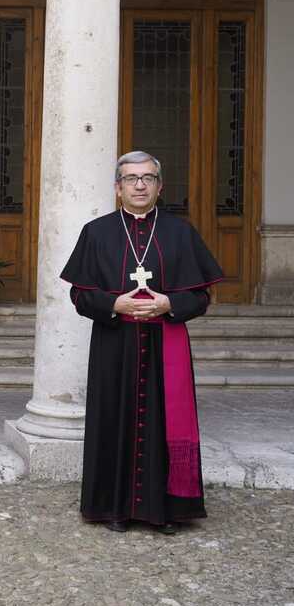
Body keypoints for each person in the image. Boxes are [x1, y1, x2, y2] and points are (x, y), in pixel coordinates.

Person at [62, 150, 223, 534]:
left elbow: (201, 297)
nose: (139, 185)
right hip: (113, 346)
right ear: (118, 188)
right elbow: (80, 297)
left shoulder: (180, 233)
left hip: (165, 345)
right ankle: (112, 508)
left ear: (159, 186)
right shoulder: (96, 232)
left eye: (147, 178)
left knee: (163, 424)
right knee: (113, 421)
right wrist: (113, 303)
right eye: (131, 179)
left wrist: (170, 303)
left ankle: (166, 510)